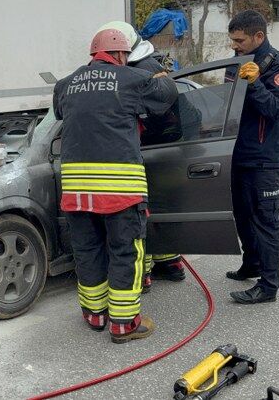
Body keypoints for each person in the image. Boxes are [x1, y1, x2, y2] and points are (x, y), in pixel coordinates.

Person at [53, 27, 178, 343]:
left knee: (88, 250)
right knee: (125, 251)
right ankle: (124, 324)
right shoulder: (132, 79)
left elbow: (62, 112)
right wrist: (161, 72)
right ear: (122, 54)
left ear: (93, 54)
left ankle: (95, 315)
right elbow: (166, 96)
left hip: (77, 191)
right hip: (120, 190)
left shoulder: (65, 84)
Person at [94, 21, 189, 291]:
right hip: (169, 148)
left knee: (139, 217)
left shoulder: (137, 71)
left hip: (147, 150)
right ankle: (170, 263)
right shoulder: (153, 64)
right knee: (158, 209)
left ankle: (143, 274)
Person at [223, 10, 279, 304]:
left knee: (266, 220)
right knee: (242, 216)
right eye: (232, 40)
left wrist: (255, 83)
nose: (234, 45)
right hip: (237, 155)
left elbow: (276, 110)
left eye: (239, 40)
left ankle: (268, 285)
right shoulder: (236, 63)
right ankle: (251, 263)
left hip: (266, 159)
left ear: (258, 36)